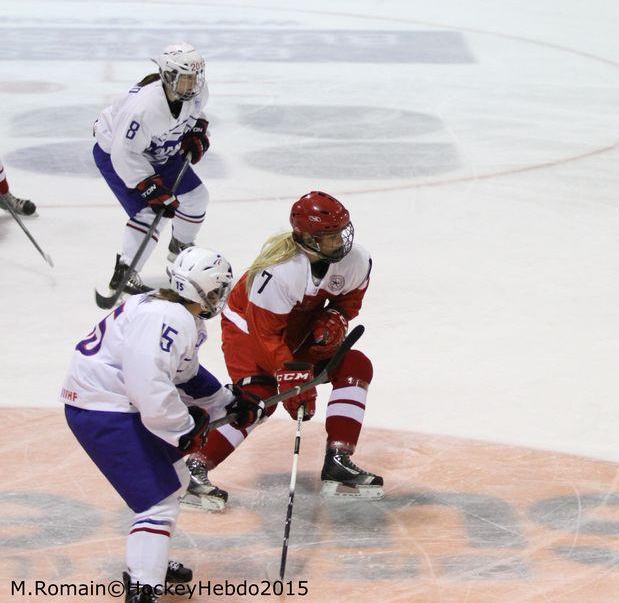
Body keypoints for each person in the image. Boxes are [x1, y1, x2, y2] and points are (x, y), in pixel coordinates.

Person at [60, 247, 263, 603]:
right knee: (157, 504)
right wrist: (183, 428)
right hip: (104, 410)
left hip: (110, 402)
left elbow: (185, 376)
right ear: (204, 291)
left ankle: (147, 560)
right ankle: (143, 587)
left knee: (176, 482)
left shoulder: (173, 311)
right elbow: (148, 386)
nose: (220, 297)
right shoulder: (169, 320)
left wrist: (226, 403)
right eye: (218, 290)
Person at [182, 191, 379, 511]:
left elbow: (348, 303)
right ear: (308, 239)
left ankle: (338, 461)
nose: (341, 241)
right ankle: (195, 466)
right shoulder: (278, 272)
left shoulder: (356, 260)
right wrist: (293, 380)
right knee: (257, 399)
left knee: (355, 366)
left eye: (343, 230)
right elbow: (267, 337)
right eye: (331, 236)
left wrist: (335, 318)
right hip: (248, 330)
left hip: (298, 325)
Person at [92, 42, 212, 297]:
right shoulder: (144, 108)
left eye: (195, 77)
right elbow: (123, 152)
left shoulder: (196, 94)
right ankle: (125, 271)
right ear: (168, 77)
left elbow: (195, 116)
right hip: (120, 156)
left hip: (160, 150)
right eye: (186, 78)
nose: (193, 84)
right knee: (151, 211)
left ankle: (180, 247)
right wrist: (148, 187)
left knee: (196, 198)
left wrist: (197, 132)